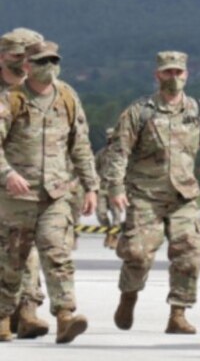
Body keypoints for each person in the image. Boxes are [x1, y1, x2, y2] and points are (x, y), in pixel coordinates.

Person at [105, 51, 200, 335]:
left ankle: (178, 313)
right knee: (137, 253)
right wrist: (115, 187)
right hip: (145, 195)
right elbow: (119, 152)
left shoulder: (198, 111)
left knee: (190, 253)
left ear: (186, 74)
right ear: (157, 75)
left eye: (178, 72)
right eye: (167, 72)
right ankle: (129, 295)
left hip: (182, 197)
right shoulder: (140, 112)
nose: (173, 77)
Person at [0, 40, 98, 344]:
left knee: (58, 253)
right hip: (17, 196)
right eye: (42, 62)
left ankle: (65, 316)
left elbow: (80, 145)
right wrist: (7, 174)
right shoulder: (11, 99)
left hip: (55, 194)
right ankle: (3, 316)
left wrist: (91, 186)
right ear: (26, 66)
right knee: (12, 259)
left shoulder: (67, 97)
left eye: (53, 61)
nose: (49, 67)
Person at [0, 28, 50, 339]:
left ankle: (27, 309)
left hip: (27, 187)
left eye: (30, 57)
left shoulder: (40, 92)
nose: (24, 62)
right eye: (18, 56)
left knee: (25, 246)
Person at [94, 128, 124, 250]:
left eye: (112, 137)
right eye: (109, 137)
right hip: (102, 187)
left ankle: (114, 237)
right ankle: (108, 233)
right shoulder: (101, 153)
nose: (110, 140)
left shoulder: (123, 154)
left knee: (116, 215)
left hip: (116, 189)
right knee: (100, 213)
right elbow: (94, 168)